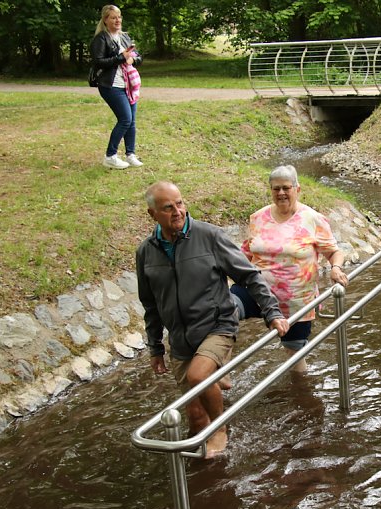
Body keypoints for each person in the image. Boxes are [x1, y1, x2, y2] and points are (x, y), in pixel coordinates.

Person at [136, 181, 289, 457]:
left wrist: (272, 312)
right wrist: (156, 348)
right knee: (195, 419)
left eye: (180, 203)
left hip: (217, 325)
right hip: (181, 339)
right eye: (168, 207)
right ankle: (205, 479)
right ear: (152, 214)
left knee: (199, 377)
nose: (178, 211)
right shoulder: (146, 252)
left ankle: (220, 428)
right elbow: (150, 303)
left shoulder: (209, 236)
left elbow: (249, 275)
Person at [233, 165, 348, 373]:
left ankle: (302, 397)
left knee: (295, 355)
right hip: (257, 290)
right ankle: (219, 367)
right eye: (276, 189)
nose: (281, 193)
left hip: (294, 299)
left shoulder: (312, 219)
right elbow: (246, 252)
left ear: (297, 189)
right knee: (224, 308)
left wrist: (336, 268)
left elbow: (334, 252)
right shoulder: (258, 217)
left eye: (286, 188)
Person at [91, 4, 143, 170]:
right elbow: (98, 62)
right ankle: (110, 156)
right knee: (125, 119)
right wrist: (121, 58)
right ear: (105, 20)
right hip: (111, 85)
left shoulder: (125, 37)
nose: (117, 20)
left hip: (129, 85)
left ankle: (130, 154)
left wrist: (133, 59)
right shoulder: (101, 39)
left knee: (132, 121)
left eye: (119, 17)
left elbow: (139, 57)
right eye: (113, 17)